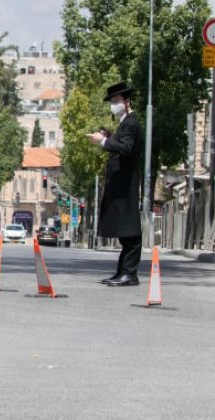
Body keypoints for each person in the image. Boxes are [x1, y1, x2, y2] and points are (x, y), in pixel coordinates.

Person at [86, 82, 143, 286]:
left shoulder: (131, 123)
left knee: (130, 231)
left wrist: (102, 141)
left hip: (125, 183)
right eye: (112, 102)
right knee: (124, 230)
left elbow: (126, 148)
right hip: (120, 182)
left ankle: (129, 273)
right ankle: (123, 272)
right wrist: (109, 137)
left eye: (117, 101)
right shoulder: (125, 123)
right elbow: (122, 144)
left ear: (127, 102)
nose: (114, 105)